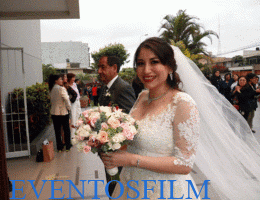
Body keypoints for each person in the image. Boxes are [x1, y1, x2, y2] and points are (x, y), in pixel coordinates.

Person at [101, 37, 260, 199]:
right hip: (131, 185)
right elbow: (134, 138)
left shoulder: (182, 103)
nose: (146, 70)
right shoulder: (142, 96)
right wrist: (108, 140)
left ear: (170, 67)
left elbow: (184, 164)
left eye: (154, 62)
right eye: (141, 63)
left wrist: (131, 160)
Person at [97, 55, 136, 195]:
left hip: (119, 151)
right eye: (99, 67)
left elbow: (131, 121)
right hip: (108, 150)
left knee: (118, 189)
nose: (99, 71)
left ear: (114, 68)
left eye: (103, 67)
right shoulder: (105, 88)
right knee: (112, 186)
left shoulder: (123, 88)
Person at [48, 74, 72, 152]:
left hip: (54, 112)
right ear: (56, 81)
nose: (62, 80)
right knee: (66, 130)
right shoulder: (61, 88)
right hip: (63, 112)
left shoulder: (51, 89)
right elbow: (66, 99)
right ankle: (68, 146)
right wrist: (69, 108)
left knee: (57, 131)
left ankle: (59, 147)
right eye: (60, 79)